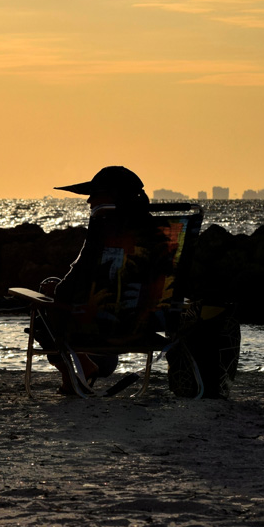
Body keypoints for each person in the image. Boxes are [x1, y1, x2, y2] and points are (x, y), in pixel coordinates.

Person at [39, 166, 168, 394]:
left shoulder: (103, 227)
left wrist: (53, 290)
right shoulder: (160, 235)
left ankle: (77, 373)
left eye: (95, 194)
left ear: (113, 197)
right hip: (144, 326)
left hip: (95, 328)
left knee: (46, 298)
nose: (89, 201)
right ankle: (88, 363)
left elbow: (66, 291)